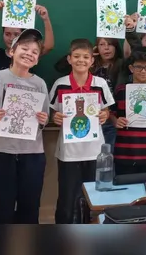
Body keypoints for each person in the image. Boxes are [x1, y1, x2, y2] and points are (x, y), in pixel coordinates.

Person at [0, 29, 50, 224]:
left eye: (34, 52)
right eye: (24, 48)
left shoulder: (40, 84)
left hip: (32, 152)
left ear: (37, 59)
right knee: (2, 205)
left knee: (30, 204)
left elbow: (45, 119)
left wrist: (43, 119)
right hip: (2, 150)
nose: (29, 54)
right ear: (11, 52)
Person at [49, 39, 114, 224]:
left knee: (92, 197)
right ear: (69, 59)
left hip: (94, 151)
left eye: (86, 57)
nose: (81, 60)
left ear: (92, 61)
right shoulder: (60, 84)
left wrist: (104, 115)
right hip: (68, 153)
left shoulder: (100, 83)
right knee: (67, 197)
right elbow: (52, 111)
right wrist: (56, 117)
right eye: (76, 56)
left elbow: (107, 110)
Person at [111, 47, 146, 177]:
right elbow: (112, 113)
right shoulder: (121, 91)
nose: (143, 71)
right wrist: (115, 121)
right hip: (124, 152)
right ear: (131, 68)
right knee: (124, 191)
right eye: (138, 67)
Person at [0, 0, 55, 72]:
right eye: (7, 34)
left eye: (16, 34)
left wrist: (45, 19)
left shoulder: (29, 54)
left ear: (23, 36)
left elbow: (48, 47)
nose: (11, 38)